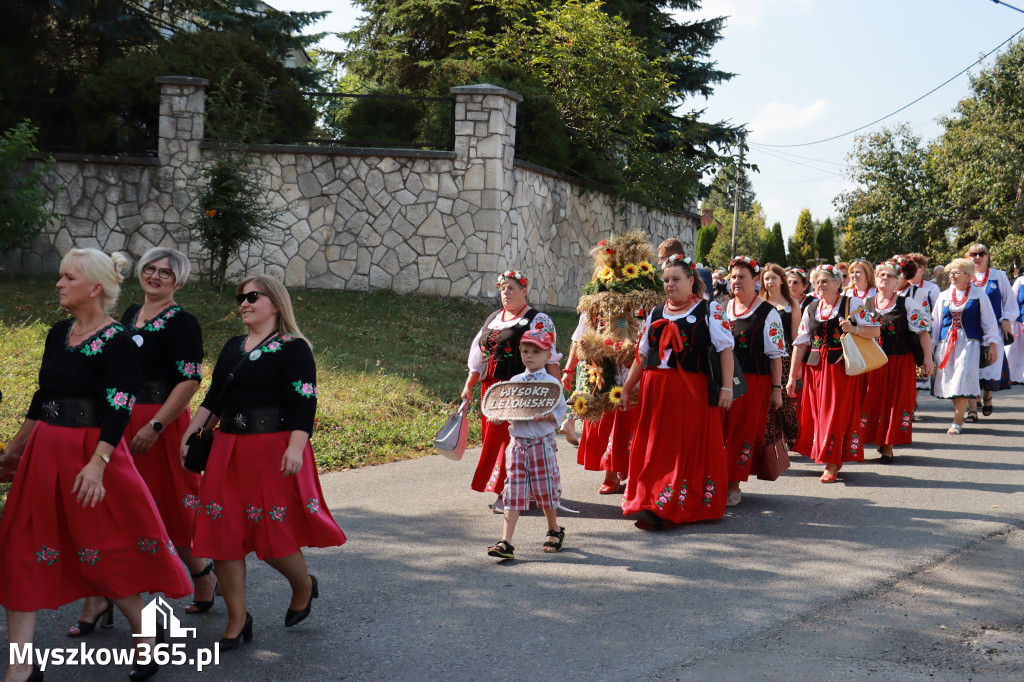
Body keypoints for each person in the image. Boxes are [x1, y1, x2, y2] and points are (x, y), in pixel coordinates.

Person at [0, 248, 191, 682]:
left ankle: (144, 632)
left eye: (68, 277)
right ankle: (21, 667)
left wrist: (98, 463)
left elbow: (119, 407)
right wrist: (15, 451)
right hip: (45, 453)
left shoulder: (119, 341)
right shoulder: (57, 333)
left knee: (102, 549)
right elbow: (42, 397)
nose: (59, 284)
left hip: (91, 455)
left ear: (95, 287)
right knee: (20, 551)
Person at [181, 275, 346, 650]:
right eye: (240, 297)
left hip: (272, 450)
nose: (243, 303)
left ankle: (303, 584)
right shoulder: (233, 346)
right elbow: (213, 399)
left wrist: (294, 448)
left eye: (252, 296)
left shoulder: (294, 348)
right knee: (222, 535)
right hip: (227, 449)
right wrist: (190, 434)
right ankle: (237, 621)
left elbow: (305, 402)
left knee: (271, 535)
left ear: (275, 302)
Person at [620, 254, 734, 530]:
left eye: (676, 279)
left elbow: (725, 350)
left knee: (684, 448)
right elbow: (642, 355)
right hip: (656, 389)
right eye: (666, 280)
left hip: (690, 389)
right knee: (656, 447)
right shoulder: (657, 312)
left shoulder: (710, 310)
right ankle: (650, 500)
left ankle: (672, 504)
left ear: (691, 280)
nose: (670, 285)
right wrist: (626, 389)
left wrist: (727, 387)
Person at [461, 271, 560, 513]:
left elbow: (551, 357)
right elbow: (479, 354)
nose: (506, 292)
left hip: (520, 389)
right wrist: (469, 383)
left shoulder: (539, 319)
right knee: (493, 440)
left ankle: (505, 493)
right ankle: (525, 489)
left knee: (510, 441)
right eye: (503, 288)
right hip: (492, 389)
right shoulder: (494, 318)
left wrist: (555, 395)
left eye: (512, 287)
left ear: (524, 292)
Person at [787, 264, 880, 482]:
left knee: (835, 413)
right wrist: (792, 375)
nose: (820, 285)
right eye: (817, 281)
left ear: (838, 283)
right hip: (815, 368)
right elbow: (800, 343)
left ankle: (832, 460)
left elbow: (875, 329)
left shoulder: (851, 303)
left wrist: (854, 329)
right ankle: (827, 454)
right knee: (818, 412)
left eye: (825, 281)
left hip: (839, 368)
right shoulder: (812, 308)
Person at [486, 330, 568, 559]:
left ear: (547, 354)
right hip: (518, 445)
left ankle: (554, 529)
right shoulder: (515, 382)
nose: (529, 356)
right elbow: (509, 409)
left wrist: (548, 417)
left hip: (541, 444)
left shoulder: (552, 384)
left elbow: (560, 413)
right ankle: (506, 542)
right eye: (525, 351)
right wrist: (499, 417)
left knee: (546, 489)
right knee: (513, 491)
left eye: (536, 351)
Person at [723, 257, 786, 506]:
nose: (736, 282)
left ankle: (734, 485)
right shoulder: (725, 307)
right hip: (725, 379)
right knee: (720, 430)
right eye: (733, 277)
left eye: (742, 277)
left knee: (742, 432)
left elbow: (776, 355)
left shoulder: (768, 313)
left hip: (753, 382)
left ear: (756, 281)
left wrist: (777, 390)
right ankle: (717, 477)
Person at [863, 260, 934, 461]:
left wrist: (928, 359)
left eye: (890, 276)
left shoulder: (906, 303)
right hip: (872, 362)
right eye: (881, 275)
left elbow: (923, 332)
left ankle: (888, 445)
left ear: (899, 282)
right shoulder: (865, 304)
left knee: (896, 401)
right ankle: (877, 438)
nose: (885, 278)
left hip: (899, 362)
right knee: (873, 399)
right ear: (875, 279)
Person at [931, 258, 1000, 435]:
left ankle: (957, 422)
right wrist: (930, 349)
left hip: (969, 345)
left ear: (968, 276)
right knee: (950, 381)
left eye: (956, 272)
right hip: (947, 344)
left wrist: (992, 345)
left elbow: (989, 322)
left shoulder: (978, 295)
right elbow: (936, 323)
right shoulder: (944, 295)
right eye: (951, 272)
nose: (952, 275)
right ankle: (959, 414)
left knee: (962, 379)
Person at [964, 243, 1013, 419]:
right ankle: (973, 406)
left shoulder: (998, 276)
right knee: (971, 364)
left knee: (989, 362)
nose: (977, 257)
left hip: (993, 328)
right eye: (973, 254)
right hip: (971, 328)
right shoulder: (965, 275)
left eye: (981, 254)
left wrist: (1006, 319)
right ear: (967, 256)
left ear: (987, 256)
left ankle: (987, 395)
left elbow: (1009, 301)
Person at [760, 263, 801, 447]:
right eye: (766, 278)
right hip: (762, 354)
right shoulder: (759, 302)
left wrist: (795, 366)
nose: (769, 282)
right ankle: (768, 437)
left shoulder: (792, 304)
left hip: (785, 355)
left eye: (773, 278)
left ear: (782, 280)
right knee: (764, 396)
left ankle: (792, 432)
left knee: (783, 398)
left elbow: (795, 337)